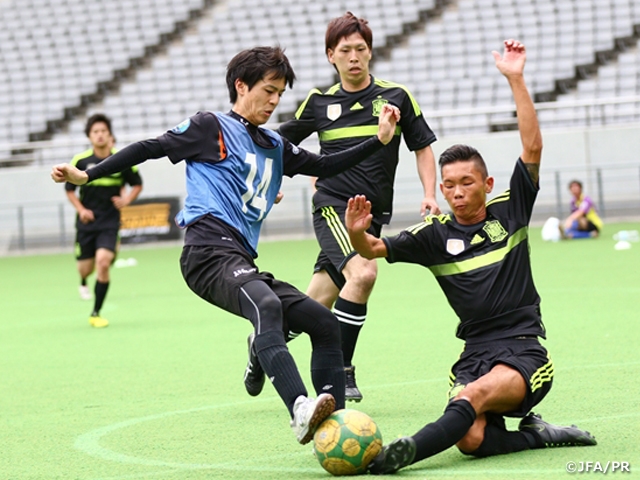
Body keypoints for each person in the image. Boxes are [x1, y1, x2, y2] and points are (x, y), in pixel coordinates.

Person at [52, 46, 401, 445]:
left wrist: (380, 139)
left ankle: (336, 425)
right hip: (206, 251)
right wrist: (88, 174)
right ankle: (300, 409)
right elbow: (149, 148)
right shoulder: (210, 127)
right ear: (241, 85)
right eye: (268, 90)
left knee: (323, 324)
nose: (274, 101)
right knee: (267, 307)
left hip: (240, 257)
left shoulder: (273, 144)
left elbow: (323, 166)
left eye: (280, 94)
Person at [344, 40, 596, 474]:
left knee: (470, 398)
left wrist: (515, 78)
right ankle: (536, 435)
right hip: (474, 353)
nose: (457, 193)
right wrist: (356, 233)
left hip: (522, 351)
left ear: (487, 182)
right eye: (448, 185)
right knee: (472, 438)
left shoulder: (510, 208)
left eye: (466, 183)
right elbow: (374, 249)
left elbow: (532, 148)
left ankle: (403, 455)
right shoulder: (434, 236)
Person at [245, 12, 441, 403]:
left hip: (373, 216)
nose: (354, 57)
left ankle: (259, 344)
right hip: (334, 207)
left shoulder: (397, 97)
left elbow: (422, 147)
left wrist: (430, 193)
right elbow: (278, 144)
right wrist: (272, 183)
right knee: (364, 273)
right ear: (330, 55)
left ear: (370, 53)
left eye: (361, 49)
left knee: (316, 302)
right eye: (345, 50)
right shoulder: (319, 102)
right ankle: (343, 371)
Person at [65, 114, 143, 328]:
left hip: (110, 222)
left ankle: (96, 313)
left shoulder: (121, 159)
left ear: (110, 135)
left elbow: (137, 183)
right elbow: (70, 189)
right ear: (90, 137)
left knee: (102, 264)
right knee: (85, 268)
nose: (100, 135)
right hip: (87, 224)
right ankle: (83, 281)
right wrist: (81, 209)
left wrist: (127, 199)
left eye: (103, 131)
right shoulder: (80, 161)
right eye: (95, 132)